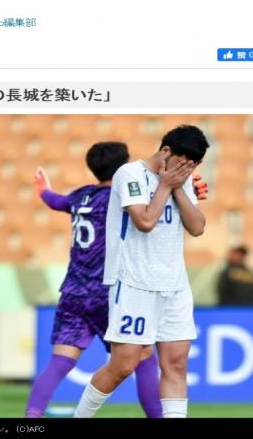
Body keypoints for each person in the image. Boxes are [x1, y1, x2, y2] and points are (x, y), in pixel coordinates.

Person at [73, 125, 210, 419]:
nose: (186, 171)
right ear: (165, 151)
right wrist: (165, 186)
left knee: (176, 364)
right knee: (123, 366)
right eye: (182, 163)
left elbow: (197, 227)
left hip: (175, 285)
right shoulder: (129, 174)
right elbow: (144, 222)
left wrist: (177, 186)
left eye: (192, 166)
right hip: (134, 283)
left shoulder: (182, 179)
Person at [26, 142, 162, 418]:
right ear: (124, 165)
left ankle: (32, 417)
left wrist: (43, 190)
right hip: (108, 293)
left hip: (73, 292)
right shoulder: (123, 196)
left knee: (59, 362)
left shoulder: (81, 196)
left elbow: (55, 201)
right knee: (145, 358)